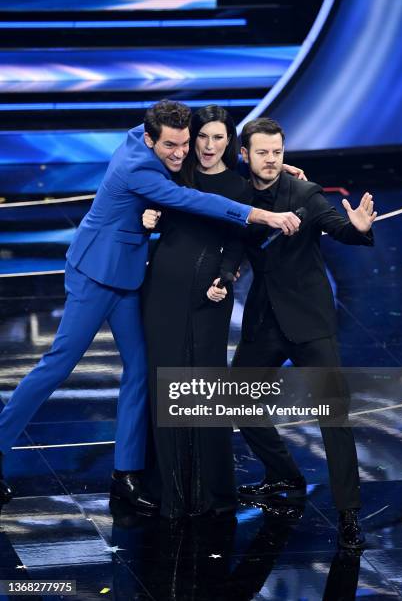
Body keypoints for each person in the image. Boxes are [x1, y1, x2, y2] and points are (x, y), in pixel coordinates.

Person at [0, 102, 301, 507]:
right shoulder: (137, 169)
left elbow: (206, 158)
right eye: (170, 146)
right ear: (149, 140)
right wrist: (260, 214)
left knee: (140, 369)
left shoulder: (145, 133)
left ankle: (125, 474)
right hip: (96, 273)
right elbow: (197, 201)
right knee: (57, 365)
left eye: (184, 144)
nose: (180, 153)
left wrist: (279, 171)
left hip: (127, 274)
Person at [141, 105, 306, 519]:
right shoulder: (173, 175)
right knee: (165, 381)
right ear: (191, 139)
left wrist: (226, 279)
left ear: (229, 142)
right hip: (164, 285)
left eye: (218, 138)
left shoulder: (239, 185)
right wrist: (147, 218)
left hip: (212, 293)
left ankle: (209, 490)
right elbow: (142, 205)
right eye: (202, 137)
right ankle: (167, 488)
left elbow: (238, 242)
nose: (209, 145)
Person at [231, 117, 376, 548]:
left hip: (310, 321)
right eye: (262, 152)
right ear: (245, 155)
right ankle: (286, 477)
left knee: (334, 417)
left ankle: (349, 515)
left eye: (277, 151)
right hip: (265, 320)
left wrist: (359, 229)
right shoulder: (237, 196)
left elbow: (339, 228)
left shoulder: (304, 192)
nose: (271, 160)